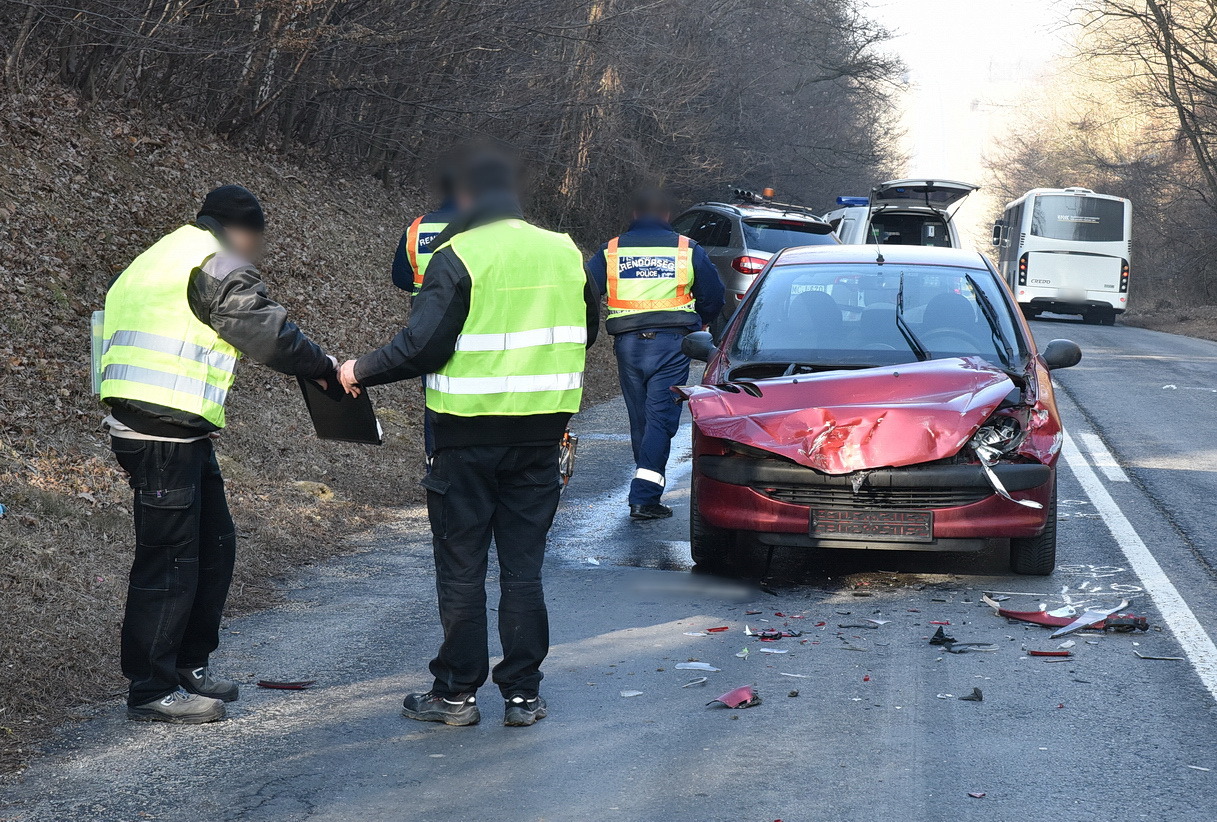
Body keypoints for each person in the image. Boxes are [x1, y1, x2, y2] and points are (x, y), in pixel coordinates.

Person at [338, 149, 599, 728]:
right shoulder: (568, 254)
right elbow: (588, 333)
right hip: (541, 439)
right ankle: (523, 696)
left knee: (462, 570)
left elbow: (422, 346)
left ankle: (455, 695)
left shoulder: (457, 256)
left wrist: (357, 371)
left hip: (465, 440)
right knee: (523, 571)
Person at [99, 185, 337, 724]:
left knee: (214, 544)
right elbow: (268, 334)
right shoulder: (216, 262)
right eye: (257, 240)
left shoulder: (160, 252)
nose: (256, 253)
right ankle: (151, 690)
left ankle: (188, 666)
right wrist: (325, 367)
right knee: (170, 560)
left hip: (168, 427)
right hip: (160, 432)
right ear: (243, 231)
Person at [586, 189, 724, 519]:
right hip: (672, 345)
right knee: (660, 420)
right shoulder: (686, 249)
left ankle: (646, 488)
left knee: (643, 421)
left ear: (634, 214)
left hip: (629, 346)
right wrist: (700, 321)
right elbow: (714, 295)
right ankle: (644, 496)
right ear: (665, 215)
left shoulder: (612, 249)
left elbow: (587, 289)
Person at [391, 171, 458, 293]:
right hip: (467, 309)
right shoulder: (480, 227)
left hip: (424, 307)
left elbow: (400, 278)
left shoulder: (416, 227)